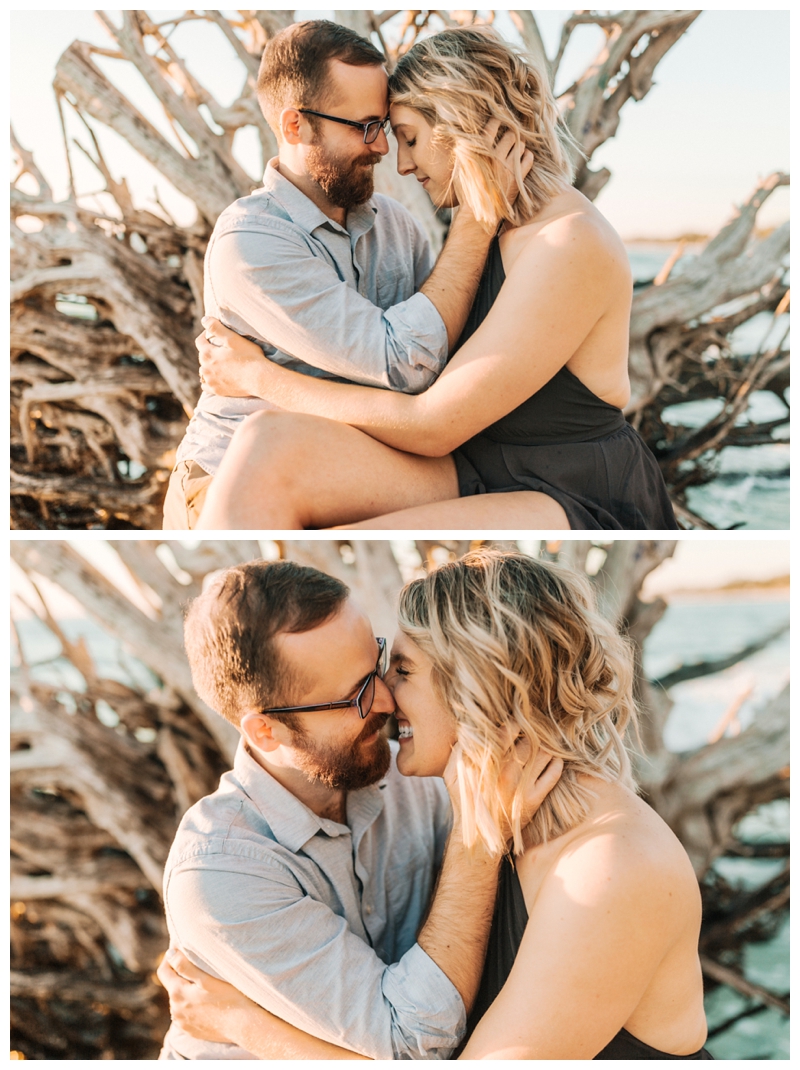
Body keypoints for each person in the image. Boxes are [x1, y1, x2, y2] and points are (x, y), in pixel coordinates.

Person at [159, 550, 711, 1060]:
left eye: (391, 667)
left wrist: (242, 1022)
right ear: (267, 731)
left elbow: (420, 1045)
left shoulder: (605, 864)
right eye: (358, 694)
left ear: (477, 685)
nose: (384, 698)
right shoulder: (224, 867)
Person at [193, 27, 678, 531]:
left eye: (408, 137)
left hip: (571, 488)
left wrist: (258, 378)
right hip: (480, 467)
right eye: (377, 130)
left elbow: (432, 423)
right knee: (268, 446)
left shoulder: (568, 241)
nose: (398, 162)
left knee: (316, 503)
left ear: (462, 126)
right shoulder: (491, 224)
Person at [163, 20, 522, 529]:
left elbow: (444, 360)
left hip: (366, 463)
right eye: (366, 127)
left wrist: (258, 377)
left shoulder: (397, 225)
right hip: (234, 479)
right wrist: (477, 219)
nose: (383, 149)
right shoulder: (250, 243)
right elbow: (407, 364)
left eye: (388, 128)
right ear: (295, 126)